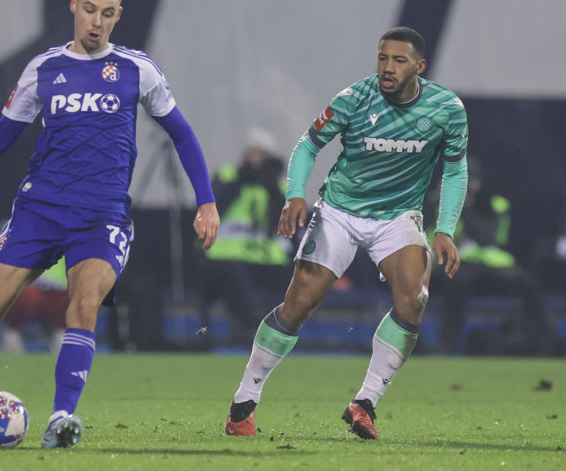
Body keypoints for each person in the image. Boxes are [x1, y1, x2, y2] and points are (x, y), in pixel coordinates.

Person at [0, 0, 219, 449]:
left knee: (83, 305)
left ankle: (61, 416)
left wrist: (206, 202)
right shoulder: (43, 69)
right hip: (40, 211)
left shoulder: (137, 70)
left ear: (118, 16)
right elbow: (0, 137)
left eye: (107, 13)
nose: (96, 22)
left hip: (101, 217)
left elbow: (182, 134)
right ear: (73, 6)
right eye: (89, 10)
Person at [224, 27, 468, 440]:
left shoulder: (447, 108)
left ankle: (365, 402)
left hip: (397, 217)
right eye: (382, 57)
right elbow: (307, 146)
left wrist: (444, 229)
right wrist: (294, 195)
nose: (387, 67)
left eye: (399, 60)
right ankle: (244, 401)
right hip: (340, 211)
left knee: (415, 299)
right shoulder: (354, 98)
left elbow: (456, 169)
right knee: (298, 304)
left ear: (420, 66)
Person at [426, 160, 561, 354]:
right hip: (449, 266)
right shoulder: (433, 201)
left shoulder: (494, 204)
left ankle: (549, 339)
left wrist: (465, 208)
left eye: (469, 181)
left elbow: (488, 239)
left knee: (526, 282)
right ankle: (446, 344)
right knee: (456, 281)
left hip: (489, 267)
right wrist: (445, 202)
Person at [196, 128, 293, 345]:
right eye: (253, 153)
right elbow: (214, 207)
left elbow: (283, 222)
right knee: (235, 276)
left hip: (266, 259)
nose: (256, 160)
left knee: (292, 280)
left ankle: (280, 331)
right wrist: (240, 181)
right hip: (226, 257)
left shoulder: (280, 185)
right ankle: (252, 329)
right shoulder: (228, 175)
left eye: (262, 155)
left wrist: (271, 187)